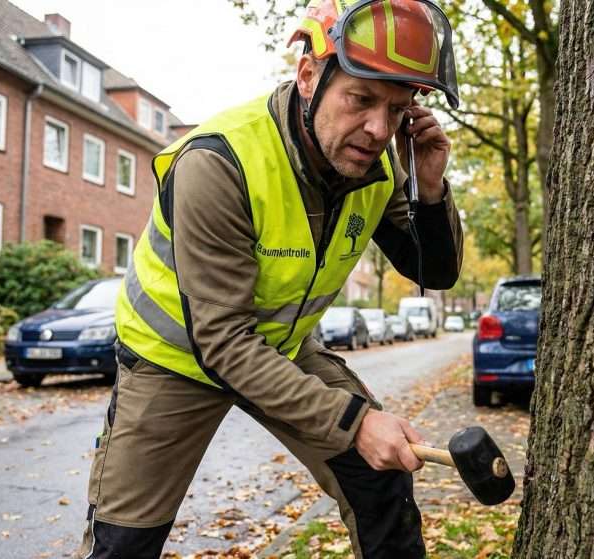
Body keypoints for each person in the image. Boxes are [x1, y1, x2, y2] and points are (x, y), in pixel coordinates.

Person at [79, 1, 462, 557]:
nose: (379, 129)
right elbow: (223, 342)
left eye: (398, 110)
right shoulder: (219, 162)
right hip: (174, 359)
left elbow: (434, 270)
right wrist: (356, 423)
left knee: (382, 474)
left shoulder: (377, 165)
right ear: (307, 76)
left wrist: (429, 187)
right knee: (124, 544)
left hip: (279, 350)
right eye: (360, 99)